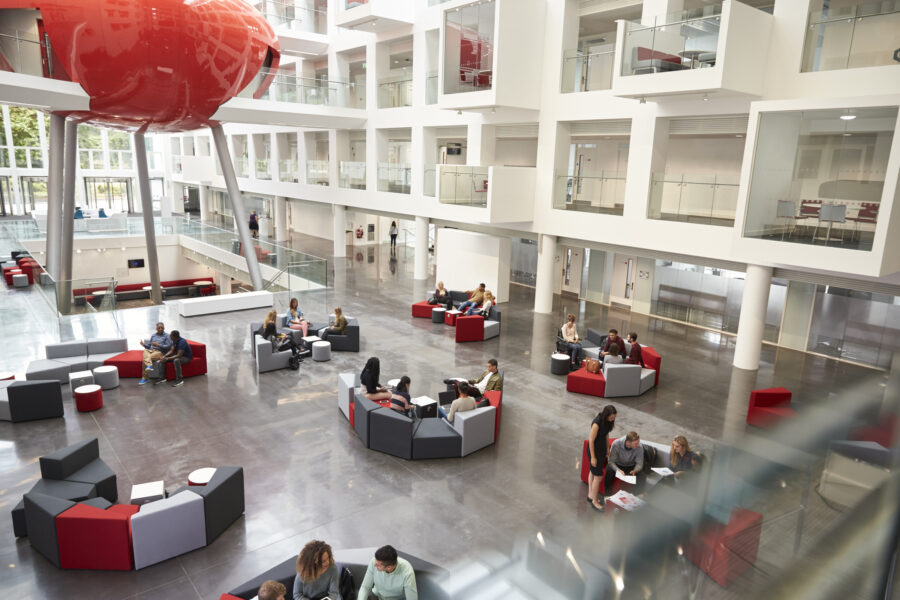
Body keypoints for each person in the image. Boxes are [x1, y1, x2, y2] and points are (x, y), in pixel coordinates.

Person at [587, 405, 617, 512]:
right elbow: (591, 441)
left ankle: (590, 495)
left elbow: (606, 434)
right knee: (598, 477)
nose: (612, 419)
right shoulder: (597, 423)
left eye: (614, 418)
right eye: (611, 417)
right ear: (606, 415)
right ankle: (595, 501)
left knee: (593, 472)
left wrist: (608, 449)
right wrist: (593, 457)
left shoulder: (608, 422)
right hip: (594, 451)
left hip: (601, 451)